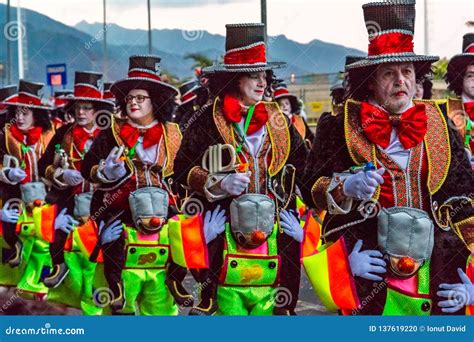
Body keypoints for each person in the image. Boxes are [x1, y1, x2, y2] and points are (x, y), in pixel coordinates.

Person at [301, 0, 474, 315]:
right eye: (389, 73)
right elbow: (310, 188)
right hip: (369, 275)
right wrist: (343, 188)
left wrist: (472, 278)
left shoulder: (440, 124)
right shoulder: (338, 127)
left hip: (437, 279)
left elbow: (465, 198)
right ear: (370, 82)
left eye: (407, 71)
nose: (401, 81)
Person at [173, 23, 309, 315]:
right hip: (224, 233)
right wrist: (216, 184)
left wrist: (307, 229)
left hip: (275, 236)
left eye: (264, 76)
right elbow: (181, 169)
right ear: (234, 79)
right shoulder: (205, 120)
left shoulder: (279, 120)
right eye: (252, 75)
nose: (261, 83)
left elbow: (306, 167)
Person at [81, 55, 190, 315]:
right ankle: (115, 285)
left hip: (163, 208)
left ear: (156, 100)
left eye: (140, 97)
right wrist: (106, 173)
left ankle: (177, 280)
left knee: (185, 232)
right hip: (121, 207)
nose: (133, 102)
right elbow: (87, 169)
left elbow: (185, 171)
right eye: (129, 98)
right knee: (113, 231)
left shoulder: (173, 132)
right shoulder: (111, 132)